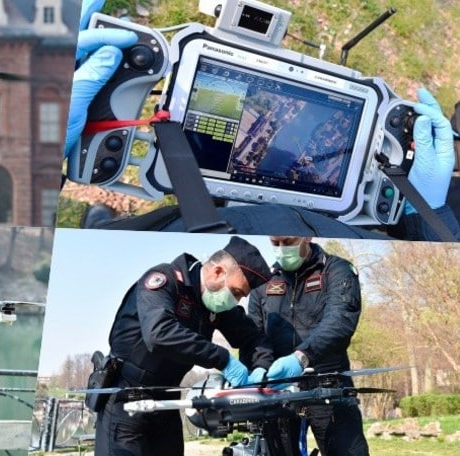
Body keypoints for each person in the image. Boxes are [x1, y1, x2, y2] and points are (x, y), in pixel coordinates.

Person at [65, 0, 460, 242]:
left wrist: (426, 216)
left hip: (200, 230)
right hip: (308, 227)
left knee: (125, 234)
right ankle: (102, 229)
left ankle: (101, 229)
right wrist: (431, 220)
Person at [94, 236, 274, 455]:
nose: (235, 301)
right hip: (127, 399)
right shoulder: (165, 281)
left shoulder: (214, 303)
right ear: (217, 272)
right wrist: (223, 359)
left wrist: (262, 367)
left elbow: (253, 338)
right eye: (236, 292)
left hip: (167, 401)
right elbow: (160, 333)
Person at [248, 236, 368, 456]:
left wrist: (303, 356)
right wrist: (258, 365)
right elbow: (253, 337)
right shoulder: (263, 283)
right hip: (279, 391)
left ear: (307, 237)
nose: (282, 249)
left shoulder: (337, 270)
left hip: (329, 386)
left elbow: (340, 320)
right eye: (275, 243)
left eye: (288, 241)